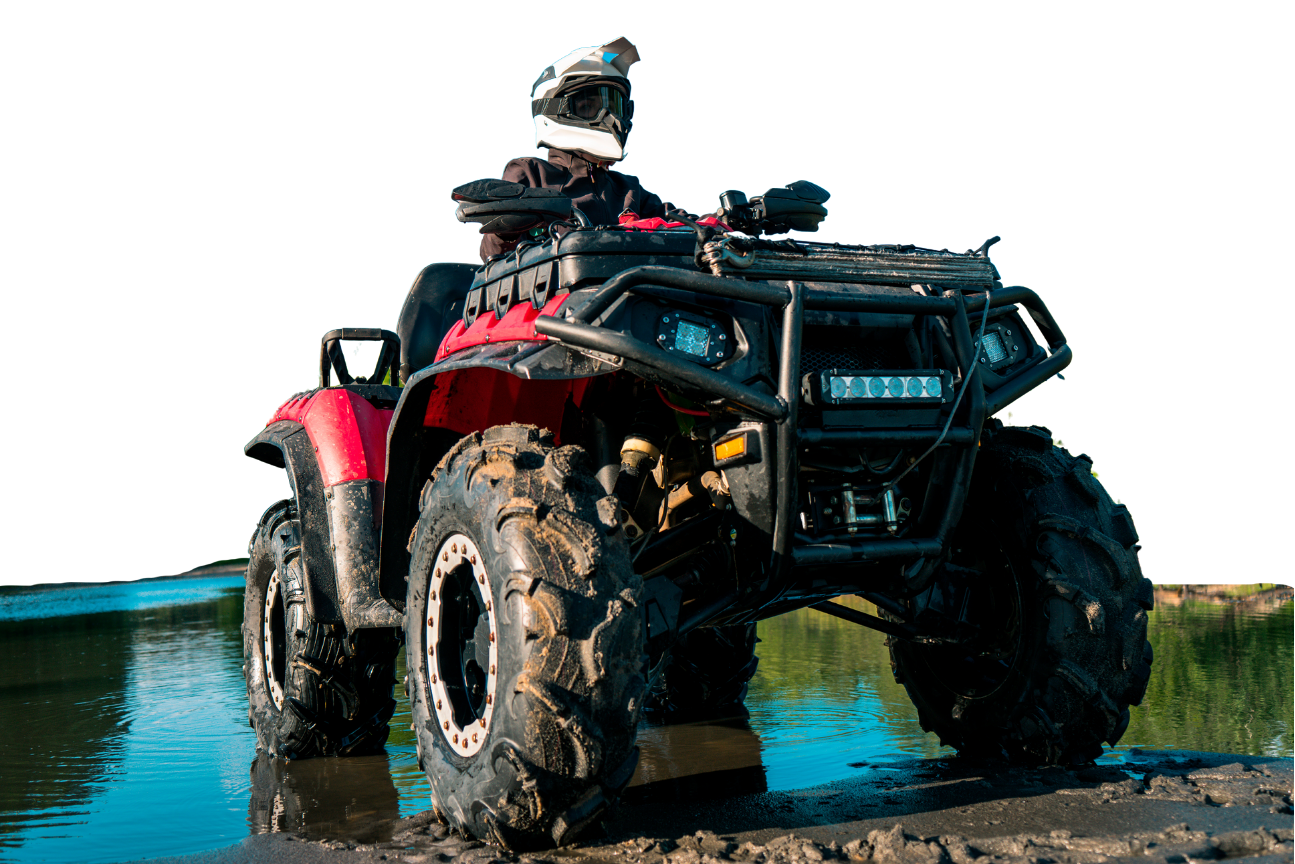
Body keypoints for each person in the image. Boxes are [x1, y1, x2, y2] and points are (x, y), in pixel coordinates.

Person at [478, 36, 671, 262]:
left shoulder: (630, 190)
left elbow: (682, 221)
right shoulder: (531, 174)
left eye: (614, 107)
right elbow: (493, 256)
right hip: (559, 283)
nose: (611, 118)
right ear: (555, 109)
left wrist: (709, 224)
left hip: (632, 283)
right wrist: (504, 230)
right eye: (589, 106)